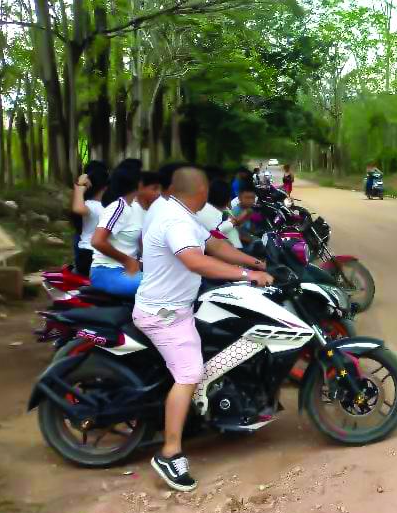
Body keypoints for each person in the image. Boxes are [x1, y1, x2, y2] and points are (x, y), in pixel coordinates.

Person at [134, 166, 272, 492]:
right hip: (165, 315)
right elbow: (195, 260)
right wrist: (245, 276)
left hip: (176, 307)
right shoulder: (176, 220)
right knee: (189, 372)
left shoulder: (173, 210)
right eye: (207, 189)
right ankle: (169, 453)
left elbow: (213, 245)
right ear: (200, 192)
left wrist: (253, 262)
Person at [89, 167, 145, 297]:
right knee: (159, 289)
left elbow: (140, 239)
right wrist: (128, 261)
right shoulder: (118, 207)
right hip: (106, 271)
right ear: (137, 185)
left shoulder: (137, 208)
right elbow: (97, 241)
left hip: (127, 270)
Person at [70, 170, 108, 276]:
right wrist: (78, 187)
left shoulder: (101, 207)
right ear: (105, 187)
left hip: (87, 255)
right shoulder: (91, 205)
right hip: (91, 256)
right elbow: (78, 208)